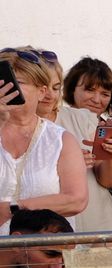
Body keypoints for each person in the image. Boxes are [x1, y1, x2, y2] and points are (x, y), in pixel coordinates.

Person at [0, 48, 87, 229]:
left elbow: (76, 200)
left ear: (41, 92)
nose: (5, 89)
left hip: (47, 253)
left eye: (18, 82)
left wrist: (14, 209)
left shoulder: (60, 140)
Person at [59, 56, 112, 231]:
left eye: (105, 94)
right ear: (72, 89)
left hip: (108, 220)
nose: (97, 99)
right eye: (90, 90)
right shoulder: (54, 124)